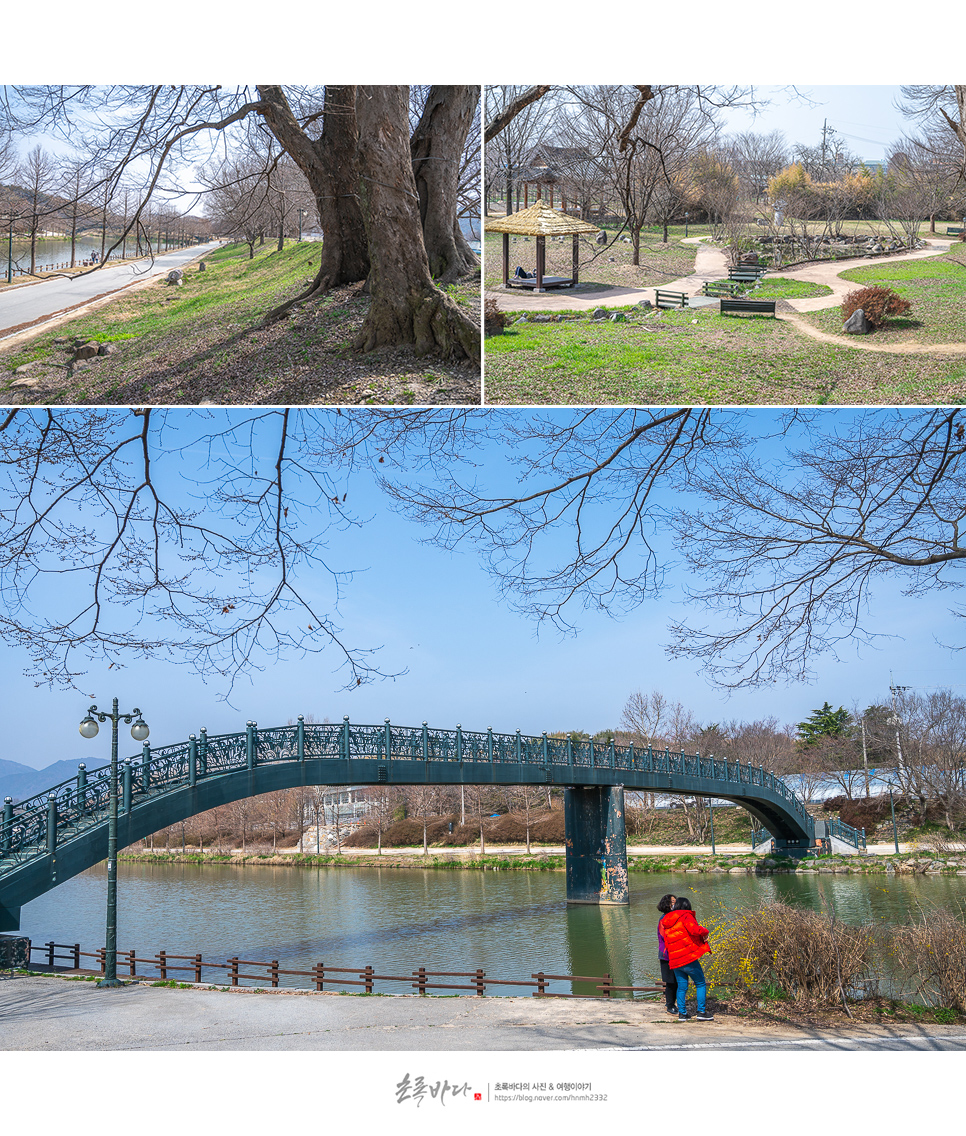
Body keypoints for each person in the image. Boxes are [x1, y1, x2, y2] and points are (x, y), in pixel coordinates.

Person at [659, 896, 713, 1021]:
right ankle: (701, 1012)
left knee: (682, 986)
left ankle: (682, 1014)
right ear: (687, 906)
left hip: (675, 959)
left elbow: (666, 939)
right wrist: (705, 931)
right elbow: (695, 930)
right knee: (700, 983)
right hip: (687, 957)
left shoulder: (667, 920)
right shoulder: (686, 916)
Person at [656, 894, 679, 1014]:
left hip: (674, 953)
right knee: (671, 981)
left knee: (676, 981)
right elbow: (666, 937)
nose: (675, 904)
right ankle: (670, 1005)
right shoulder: (664, 919)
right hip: (667, 955)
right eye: (673, 902)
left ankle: (672, 1003)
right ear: (667, 904)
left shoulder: (672, 917)